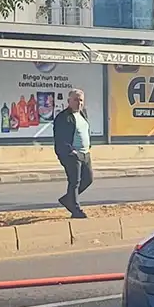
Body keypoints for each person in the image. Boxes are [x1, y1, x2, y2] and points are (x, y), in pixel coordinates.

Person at [52, 89, 92, 219]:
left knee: (88, 179)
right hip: (72, 154)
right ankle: (76, 210)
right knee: (74, 181)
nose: (79, 103)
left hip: (85, 153)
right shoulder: (63, 117)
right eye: (76, 100)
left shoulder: (83, 114)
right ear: (69, 101)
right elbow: (60, 138)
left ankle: (68, 199)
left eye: (81, 100)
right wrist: (71, 151)